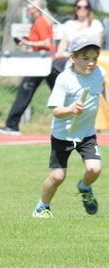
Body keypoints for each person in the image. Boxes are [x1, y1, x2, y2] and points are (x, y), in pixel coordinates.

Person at [32, 36, 107, 218]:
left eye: (94, 58)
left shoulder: (100, 72)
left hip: (87, 133)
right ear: (73, 58)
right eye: (85, 58)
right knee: (57, 176)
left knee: (94, 169)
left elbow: (104, 86)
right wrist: (71, 109)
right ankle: (42, 207)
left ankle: (85, 187)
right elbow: (56, 111)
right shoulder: (64, 79)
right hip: (63, 135)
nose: (91, 63)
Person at [0, 0, 58, 135]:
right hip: (41, 61)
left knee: (26, 91)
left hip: (44, 62)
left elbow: (46, 43)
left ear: (37, 9)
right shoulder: (38, 21)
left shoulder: (40, 21)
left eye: (30, 6)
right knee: (56, 92)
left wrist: (28, 43)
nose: (28, 8)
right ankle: (12, 125)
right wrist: (28, 44)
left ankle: (12, 125)